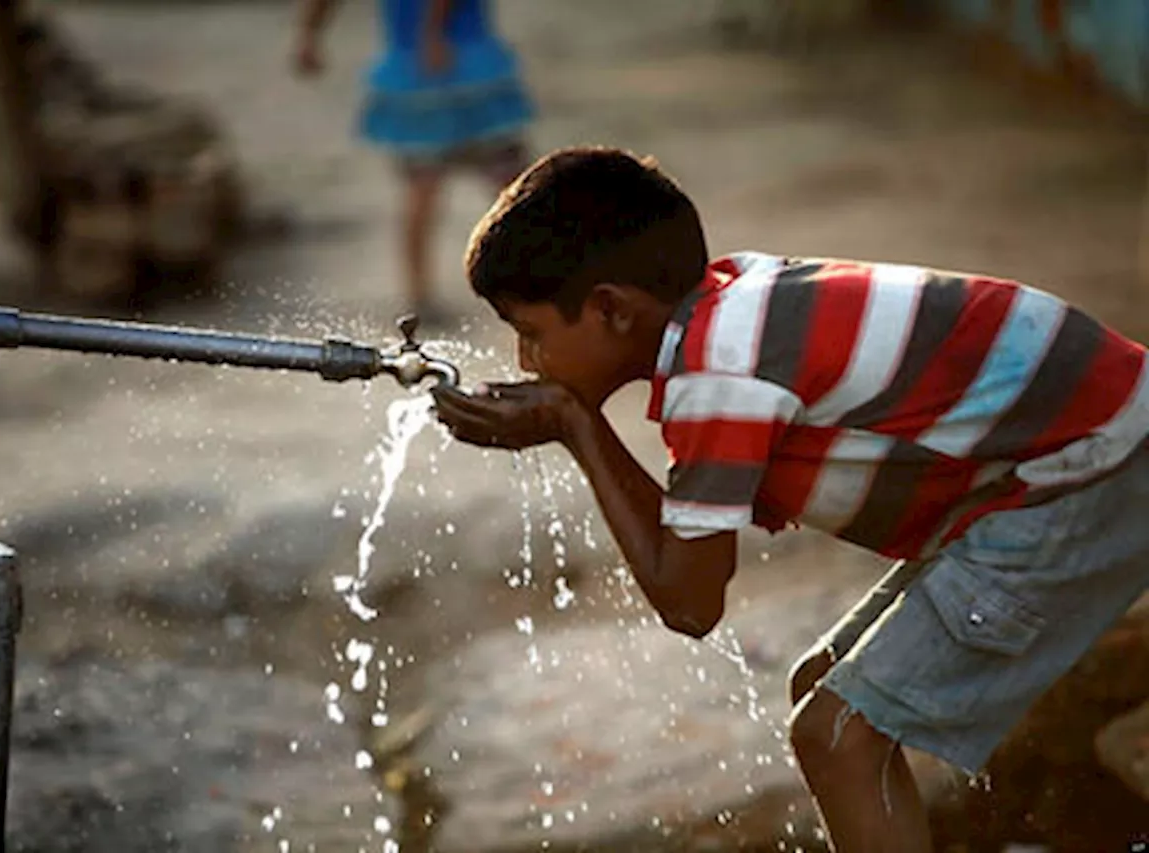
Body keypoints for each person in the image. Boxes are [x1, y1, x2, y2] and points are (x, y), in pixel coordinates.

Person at [431, 145, 1149, 853]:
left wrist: (576, 428)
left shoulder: (720, 373)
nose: (526, 360)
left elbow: (689, 599)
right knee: (824, 690)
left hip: (1094, 467)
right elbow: (687, 559)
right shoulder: (727, 308)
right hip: (1073, 451)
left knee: (838, 735)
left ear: (612, 309)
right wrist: (574, 422)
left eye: (531, 333)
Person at [294, 0, 535, 325]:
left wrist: (309, 35)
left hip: (426, 68)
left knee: (433, 187)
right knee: (511, 186)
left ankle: (421, 296)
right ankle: (541, 277)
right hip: (459, 65)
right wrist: (432, 34)